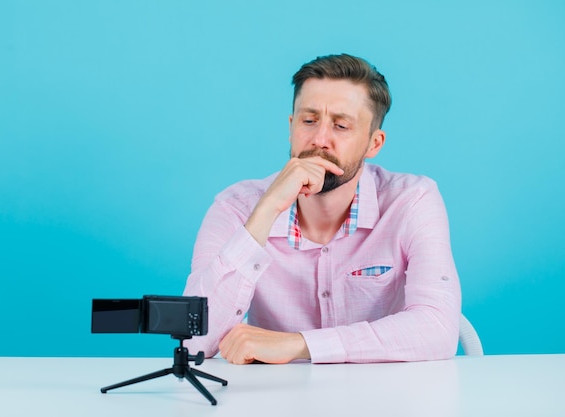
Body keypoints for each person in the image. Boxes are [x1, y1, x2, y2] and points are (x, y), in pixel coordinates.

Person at [183, 53, 461, 364]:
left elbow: (437, 328)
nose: (319, 139)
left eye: (341, 125)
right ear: (291, 127)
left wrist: (300, 345)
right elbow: (194, 340)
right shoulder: (234, 207)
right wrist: (267, 210)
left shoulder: (411, 201)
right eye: (309, 120)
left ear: (374, 143)